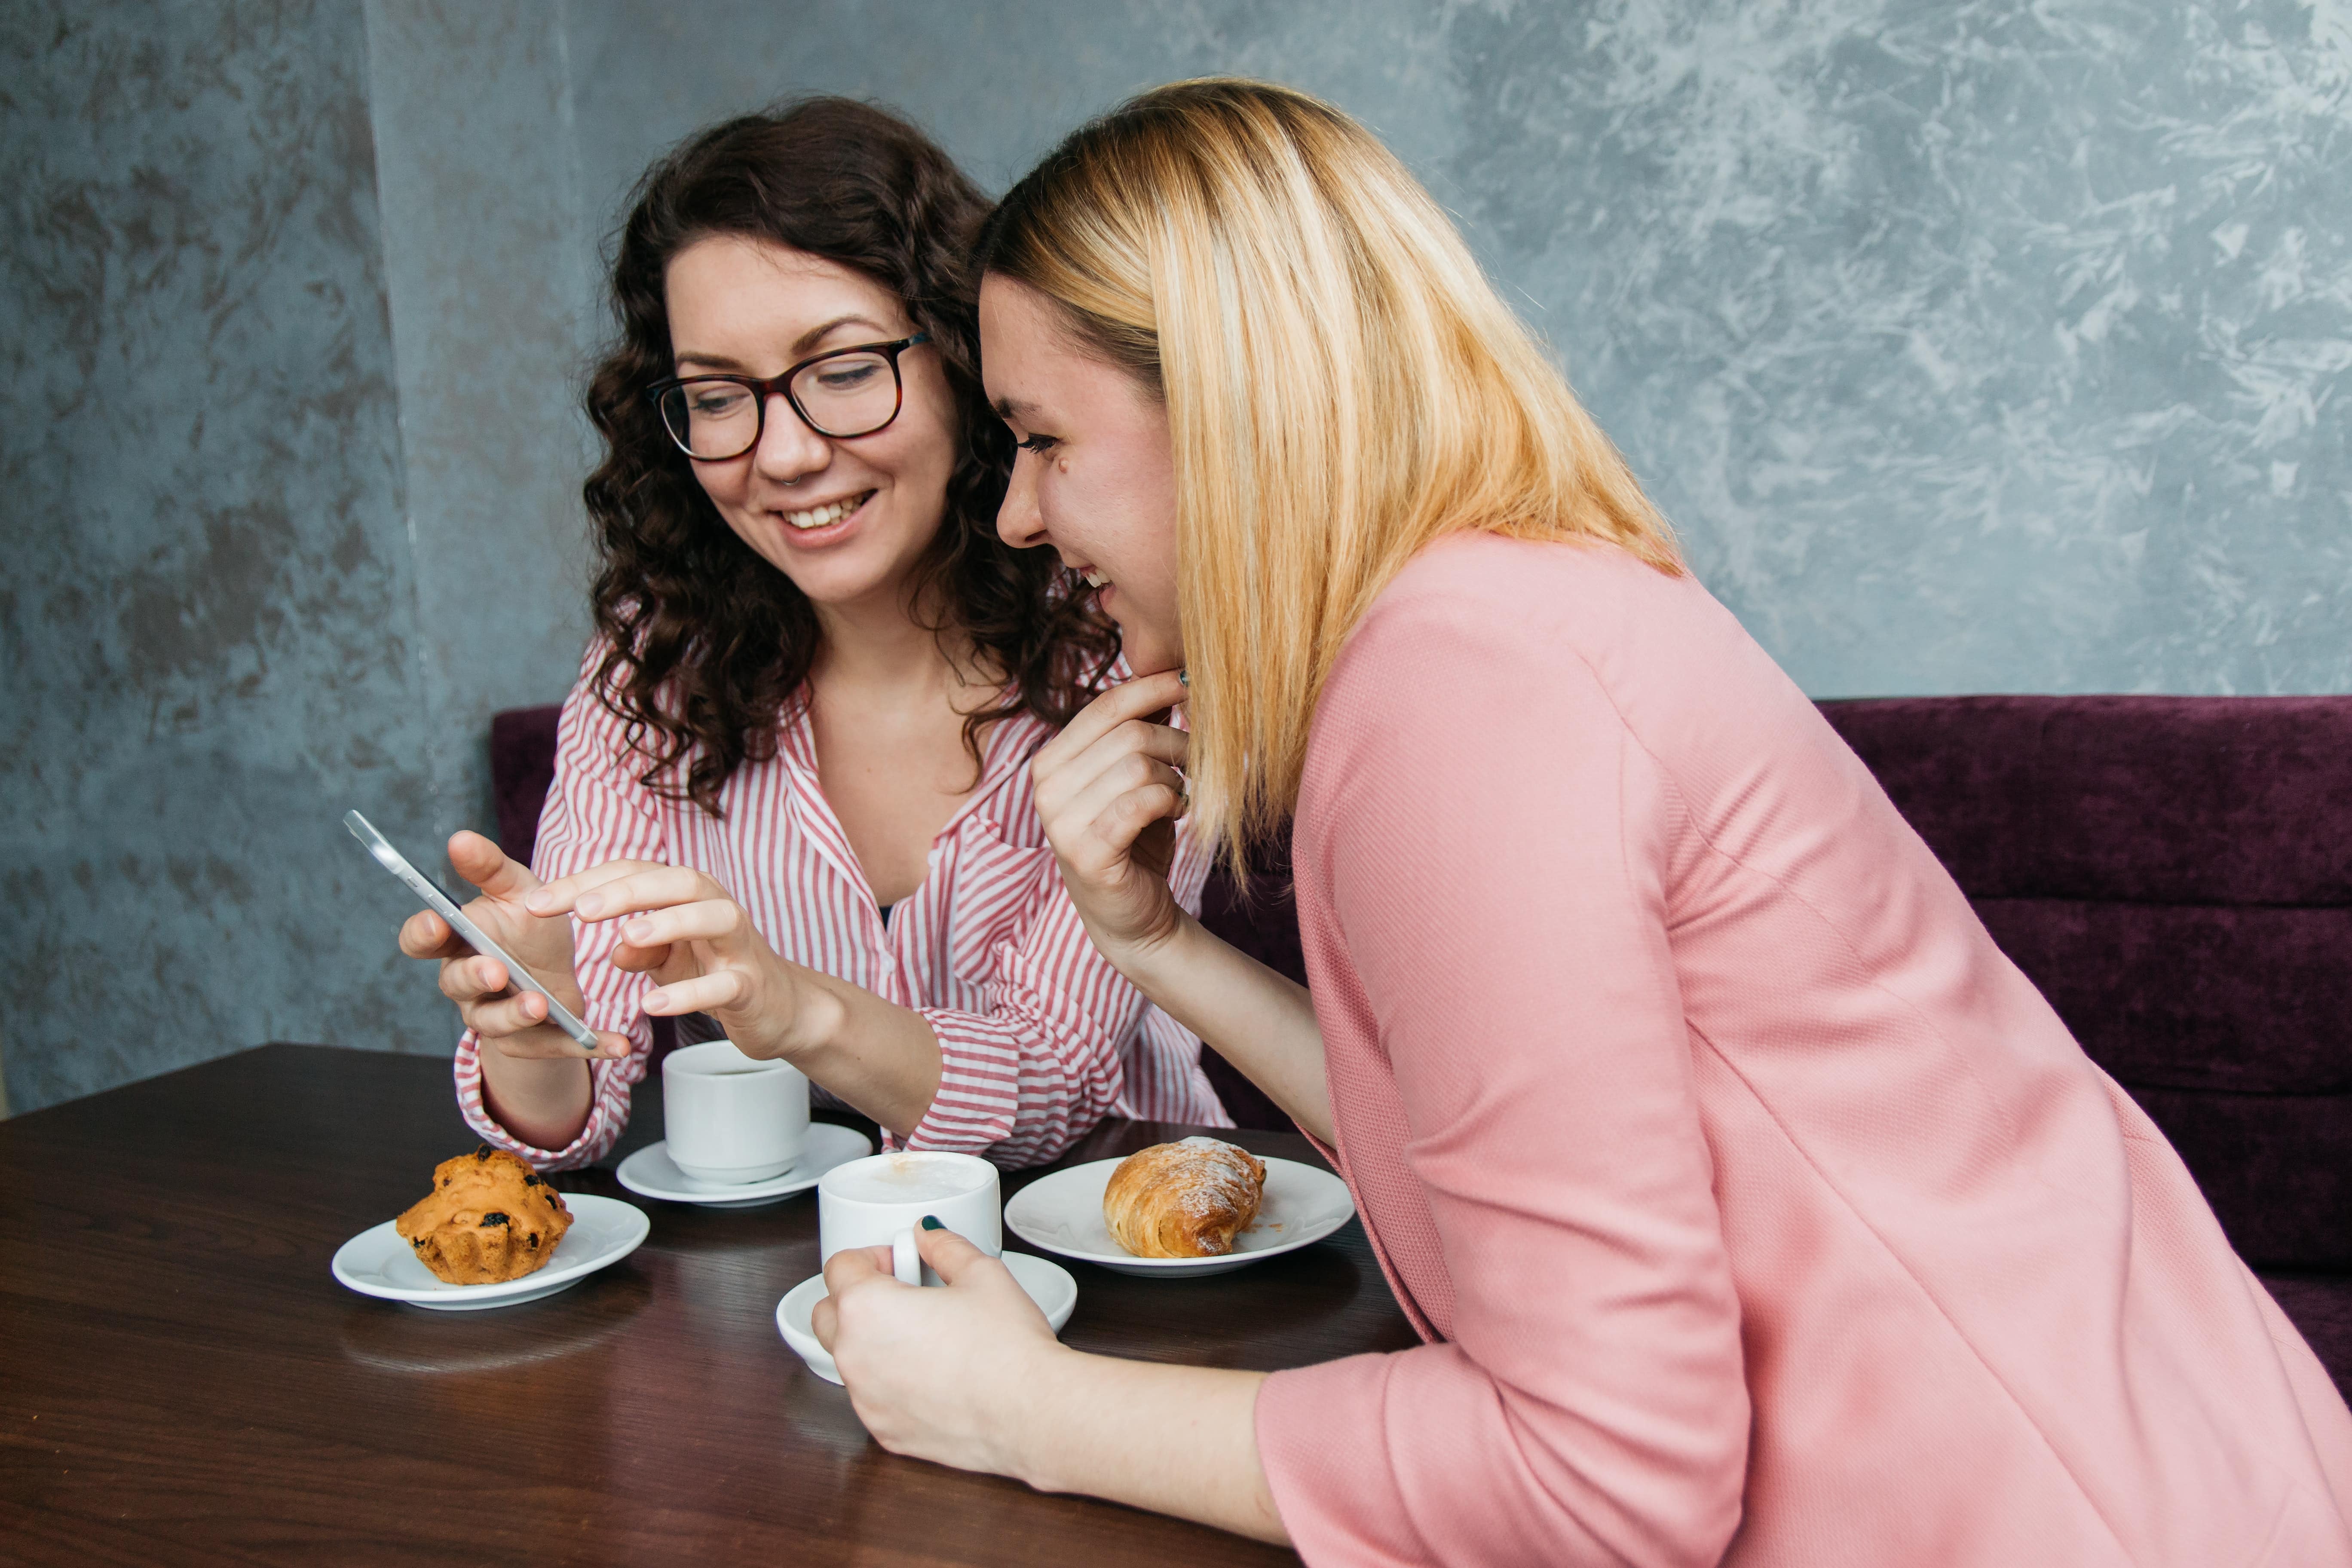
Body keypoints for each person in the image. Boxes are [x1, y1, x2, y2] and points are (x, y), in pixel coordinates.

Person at [808, 80, 2352, 1563]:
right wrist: (1154, 941)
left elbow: (1605, 1475)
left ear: (1233, 413)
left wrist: (1030, 1408)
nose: (1015, 512)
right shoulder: (1497, 617)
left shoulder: (1455, 699)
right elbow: (1488, 1163)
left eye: (1046, 438)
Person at [396, 99, 1223, 1170]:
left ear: (967, 365)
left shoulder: (1126, 640)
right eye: (717, 396)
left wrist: (796, 1011)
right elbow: (569, 1124)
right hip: (789, 1284)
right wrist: (534, 1024)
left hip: (1129, 1249)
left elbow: (1052, 1095)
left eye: (840, 372)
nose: (782, 456)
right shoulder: (657, 665)